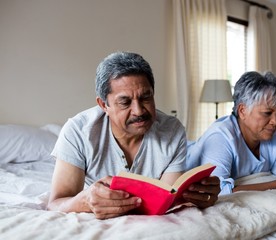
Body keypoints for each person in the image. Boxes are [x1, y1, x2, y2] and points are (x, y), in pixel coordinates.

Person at [47, 51, 220, 219]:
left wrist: (197, 196)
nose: (138, 111)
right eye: (125, 102)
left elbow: (166, 198)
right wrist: (86, 200)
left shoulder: (172, 131)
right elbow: (56, 204)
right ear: (103, 105)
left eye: (146, 98)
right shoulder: (78, 131)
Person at [187, 71, 276, 195]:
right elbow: (218, 192)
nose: (275, 122)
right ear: (242, 111)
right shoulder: (220, 138)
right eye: (267, 113)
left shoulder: (269, 136)